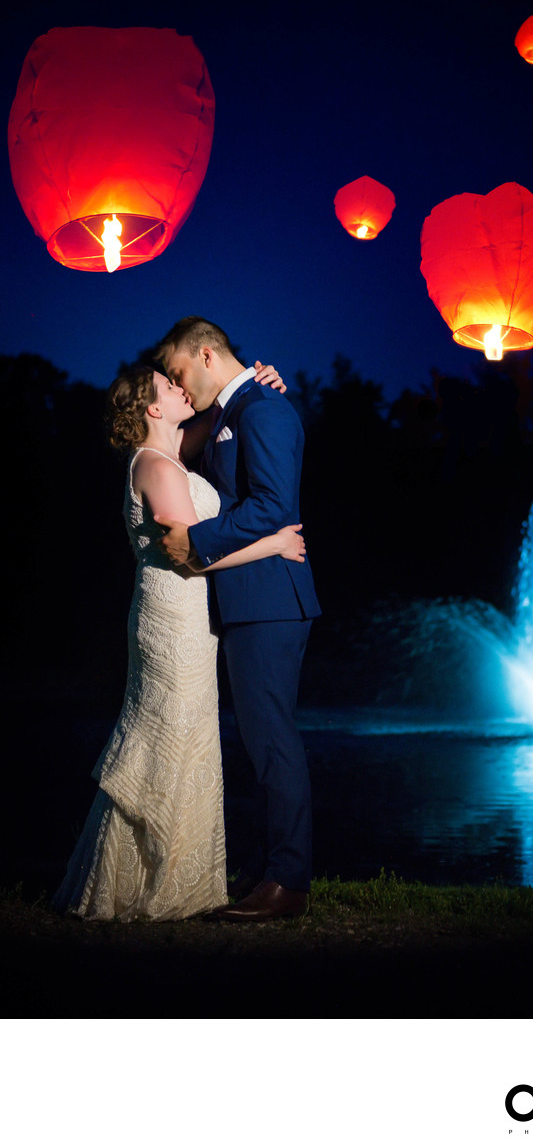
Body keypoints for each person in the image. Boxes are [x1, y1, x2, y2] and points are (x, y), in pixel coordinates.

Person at [53, 361, 302, 922]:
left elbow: (219, 411)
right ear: (152, 408)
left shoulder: (169, 454)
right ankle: (149, 883)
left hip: (187, 618)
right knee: (168, 736)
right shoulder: (158, 467)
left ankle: (166, 876)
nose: (179, 386)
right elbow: (192, 551)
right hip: (172, 618)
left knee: (183, 736)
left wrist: (261, 380)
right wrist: (275, 545)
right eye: (169, 385)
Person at [155, 316, 321, 922]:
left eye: (179, 373)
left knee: (274, 742)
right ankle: (273, 870)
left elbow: (276, 508)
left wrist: (195, 538)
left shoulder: (263, 410)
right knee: (261, 742)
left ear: (204, 354)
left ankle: (288, 883)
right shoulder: (235, 409)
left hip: (271, 600)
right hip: (250, 600)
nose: (179, 385)